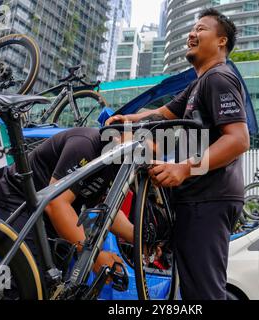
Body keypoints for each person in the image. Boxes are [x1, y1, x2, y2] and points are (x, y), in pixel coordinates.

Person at [106, 8, 250, 300]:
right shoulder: (198, 84)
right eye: (192, 29)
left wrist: (184, 168)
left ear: (221, 41)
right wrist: (128, 120)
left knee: (204, 292)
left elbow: (238, 140)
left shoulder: (220, 78)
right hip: (196, 197)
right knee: (192, 288)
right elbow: (161, 113)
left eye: (201, 29)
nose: (191, 34)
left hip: (210, 196)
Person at [0, 127, 134, 274]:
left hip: (48, 209)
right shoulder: (86, 145)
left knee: (58, 278)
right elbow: (56, 203)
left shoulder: (120, 161)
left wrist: (137, 237)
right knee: (32, 276)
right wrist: (92, 256)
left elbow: (108, 210)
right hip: (19, 199)